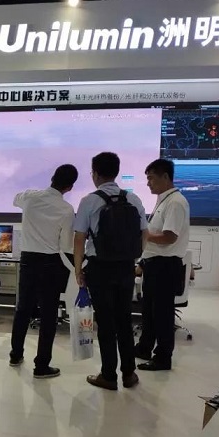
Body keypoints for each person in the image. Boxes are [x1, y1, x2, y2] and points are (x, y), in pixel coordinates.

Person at [74, 152, 147, 391]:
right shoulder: (133, 198)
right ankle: (129, 373)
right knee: (124, 319)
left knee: (105, 322)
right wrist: (135, 259)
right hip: (126, 267)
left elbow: (79, 238)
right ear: (116, 172)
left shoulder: (89, 201)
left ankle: (108, 375)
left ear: (95, 173)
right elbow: (144, 234)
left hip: (99, 268)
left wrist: (78, 269)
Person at [9, 164, 79, 379]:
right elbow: (66, 244)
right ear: (70, 187)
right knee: (49, 315)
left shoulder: (30, 197)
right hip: (51, 264)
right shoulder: (67, 209)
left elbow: (15, 199)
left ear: (52, 177)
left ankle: (15, 355)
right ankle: (41, 366)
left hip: (28, 260)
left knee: (23, 309)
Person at [135, 159, 190, 371]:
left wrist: (144, 236)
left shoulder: (175, 202)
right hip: (154, 264)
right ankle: (144, 347)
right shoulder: (164, 200)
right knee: (148, 312)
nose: (148, 183)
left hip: (165, 266)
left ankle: (163, 357)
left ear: (165, 177)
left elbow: (169, 237)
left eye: (151, 178)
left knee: (162, 315)